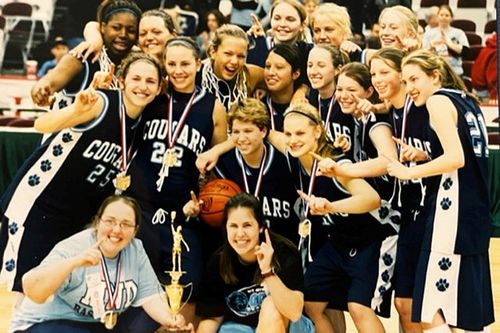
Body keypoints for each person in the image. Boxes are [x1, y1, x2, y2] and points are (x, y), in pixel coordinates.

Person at [0, 52, 162, 294]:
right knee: (21, 289)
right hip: (40, 207)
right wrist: (75, 109)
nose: (142, 86)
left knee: (52, 293)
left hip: (75, 218)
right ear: (122, 81)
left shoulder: (141, 125)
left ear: (159, 88)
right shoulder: (101, 102)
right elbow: (42, 124)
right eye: (136, 78)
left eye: (150, 81)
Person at [122, 37, 227, 324]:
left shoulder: (213, 107)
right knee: (132, 284)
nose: (178, 70)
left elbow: (217, 167)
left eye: (185, 63)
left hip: (182, 213)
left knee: (188, 285)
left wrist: (205, 199)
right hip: (139, 208)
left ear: (198, 63)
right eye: (171, 64)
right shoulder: (152, 96)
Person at [387, 50, 494, 332]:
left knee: (432, 308)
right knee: (462, 311)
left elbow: (456, 158)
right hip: (474, 212)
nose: (409, 88)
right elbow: (464, 158)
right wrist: (425, 156)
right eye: (405, 81)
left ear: (435, 76)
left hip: (452, 213)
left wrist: (409, 171)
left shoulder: (437, 101)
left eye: (414, 79)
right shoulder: (467, 101)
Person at [9, 195, 191, 333]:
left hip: (96, 324)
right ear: (97, 222)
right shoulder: (74, 247)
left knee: (147, 319)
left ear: (135, 230)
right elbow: (33, 290)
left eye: (126, 224)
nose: (116, 230)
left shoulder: (135, 248)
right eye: (110, 221)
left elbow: (150, 297)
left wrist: (170, 320)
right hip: (47, 323)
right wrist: (74, 263)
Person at [369, 47, 430, 333]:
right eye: (373, 74)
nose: (377, 79)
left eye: (384, 72)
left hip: (431, 213)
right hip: (405, 214)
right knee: (403, 304)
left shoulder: (425, 109)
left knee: (427, 306)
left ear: (403, 77)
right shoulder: (388, 112)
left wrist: (424, 157)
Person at [196, 192, 314, 333]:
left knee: (271, 306)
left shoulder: (284, 251)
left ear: (261, 227)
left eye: (247, 225)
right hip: (239, 328)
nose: (240, 234)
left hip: (291, 327)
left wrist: (268, 272)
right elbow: (212, 318)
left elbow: (294, 313)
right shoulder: (218, 261)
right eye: (233, 226)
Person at [210, 98, 300, 244]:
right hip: (240, 248)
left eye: (248, 131)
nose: (241, 138)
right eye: (236, 132)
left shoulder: (286, 162)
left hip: (282, 247)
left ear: (263, 131)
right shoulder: (223, 165)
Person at [31, 0, 142, 109]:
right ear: (103, 27)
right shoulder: (82, 56)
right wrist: (40, 90)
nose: (123, 34)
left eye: (131, 30)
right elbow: (49, 81)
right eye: (116, 28)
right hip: (71, 126)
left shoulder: (139, 62)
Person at [199, 24, 265, 112]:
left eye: (241, 56)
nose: (234, 61)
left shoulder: (249, 75)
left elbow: (283, 81)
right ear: (213, 52)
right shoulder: (196, 73)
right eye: (228, 54)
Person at [80, 9, 177, 65]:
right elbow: (94, 25)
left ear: (173, 35)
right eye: (143, 34)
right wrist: (94, 39)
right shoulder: (130, 60)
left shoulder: (187, 55)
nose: (149, 38)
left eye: (157, 32)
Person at [306, 43, 353, 159]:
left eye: (321, 66)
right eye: (310, 65)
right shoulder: (311, 97)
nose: (313, 71)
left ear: (338, 69)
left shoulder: (347, 100)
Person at [263, 43, 302, 131]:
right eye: (268, 66)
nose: (271, 73)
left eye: (279, 67)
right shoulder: (258, 108)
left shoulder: (307, 106)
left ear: (296, 74)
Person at [422, 5, 469, 77]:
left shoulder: (459, 33)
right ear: (437, 17)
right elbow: (423, 53)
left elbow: (466, 52)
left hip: (455, 71)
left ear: (451, 18)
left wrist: (449, 43)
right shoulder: (429, 33)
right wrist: (432, 45)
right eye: (441, 15)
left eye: (447, 15)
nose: (444, 17)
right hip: (435, 71)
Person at [471, 32, 497, 103]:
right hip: (485, 91)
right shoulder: (496, 51)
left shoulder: (490, 45)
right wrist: (494, 95)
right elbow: (493, 77)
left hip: (478, 88)